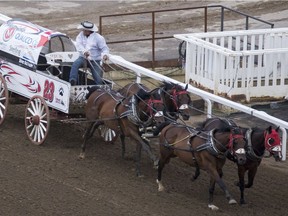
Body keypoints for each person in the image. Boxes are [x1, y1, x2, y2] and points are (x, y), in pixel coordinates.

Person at [69, 21, 109, 86]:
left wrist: (105, 55)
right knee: (75, 65)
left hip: (95, 60)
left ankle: (99, 87)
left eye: (84, 30)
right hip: (83, 58)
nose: (83, 31)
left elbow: (104, 48)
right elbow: (79, 45)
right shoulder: (80, 36)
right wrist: (84, 51)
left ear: (88, 31)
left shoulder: (99, 38)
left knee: (98, 78)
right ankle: (73, 80)